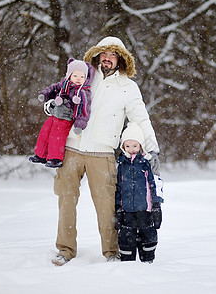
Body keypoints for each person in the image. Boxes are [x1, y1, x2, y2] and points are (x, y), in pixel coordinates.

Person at [50, 36, 160, 266]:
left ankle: (112, 251)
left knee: (107, 206)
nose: (107, 58)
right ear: (98, 56)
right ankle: (65, 249)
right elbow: (58, 96)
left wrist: (152, 149)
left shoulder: (128, 87)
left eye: (113, 54)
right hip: (72, 148)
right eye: (104, 53)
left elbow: (140, 118)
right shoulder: (84, 75)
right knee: (66, 201)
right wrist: (51, 107)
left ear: (120, 59)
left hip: (102, 154)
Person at [29, 58, 95, 168]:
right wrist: (44, 94)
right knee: (45, 131)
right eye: (75, 76)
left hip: (66, 118)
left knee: (57, 136)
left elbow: (85, 109)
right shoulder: (64, 85)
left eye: (82, 76)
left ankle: (55, 158)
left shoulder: (83, 92)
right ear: (69, 75)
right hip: (55, 115)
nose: (78, 79)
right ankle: (41, 155)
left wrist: (80, 124)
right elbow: (53, 88)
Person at [114, 122, 163, 263]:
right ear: (123, 146)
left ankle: (148, 259)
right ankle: (127, 260)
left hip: (145, 209)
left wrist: (156, 204)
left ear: (140, 146)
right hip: (127, 209)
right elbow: (118, 187)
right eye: (127, 146)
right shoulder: (121, 164)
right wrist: (118, 207)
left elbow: (154, 184)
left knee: (147, 233)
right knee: (126, 236)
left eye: (135, 146)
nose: (131, 149)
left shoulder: (146, 163)